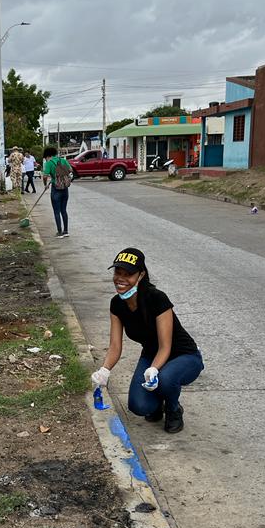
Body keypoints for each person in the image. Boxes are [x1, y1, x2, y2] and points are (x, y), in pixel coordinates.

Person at [91, 248, 204, 433]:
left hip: (183, 356)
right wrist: (104, 370)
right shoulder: (117, 304)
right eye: (118, 272)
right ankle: (157, 401)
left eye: (128, 274)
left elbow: (165, 346)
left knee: (166, 379)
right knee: (140, 407)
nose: (121, 279)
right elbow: (115, 346)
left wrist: (153, 369)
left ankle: (173, 408)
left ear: (141, 275)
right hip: (152, 354)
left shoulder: (156, 298)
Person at [42, 145, 73, 238]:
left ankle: (59, 232)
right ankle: (66, 231)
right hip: (65, 188)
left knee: (56, 211)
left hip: (56, 189)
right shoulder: (63, 160)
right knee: (64, 210)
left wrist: (46, 184)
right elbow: (70, 170)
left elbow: (45, 176)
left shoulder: (49, 163)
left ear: (48, 156)